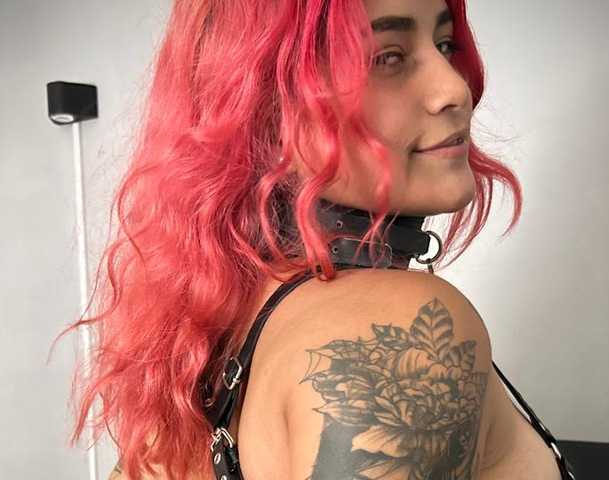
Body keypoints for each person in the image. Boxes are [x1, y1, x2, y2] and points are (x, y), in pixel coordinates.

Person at [55, 0, 576, 479]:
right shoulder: (395, 325)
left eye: (444, 45)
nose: (454, 89)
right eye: (388, 57)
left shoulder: (207, 334)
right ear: (267, 105)